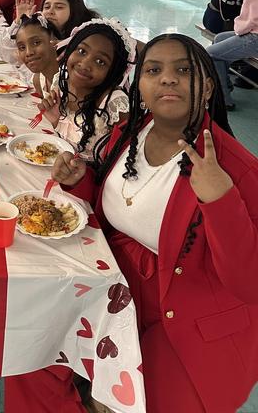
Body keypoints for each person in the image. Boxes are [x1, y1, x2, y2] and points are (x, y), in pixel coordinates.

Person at [43, 34, 258, 413]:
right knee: (33, 356)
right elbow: (117, 210)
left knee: (136, 401)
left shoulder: (236, 169)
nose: (168, 79)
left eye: (184, 70)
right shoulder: (128, 134)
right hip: (112, 284)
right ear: (139, 83)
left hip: (185, 315)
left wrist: (220, 201)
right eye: (154, 70)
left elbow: (249, 282)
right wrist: (80, 181)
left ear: (208, 86)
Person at [38, 18, 132, 161]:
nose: (85, 64)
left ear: (112, 71)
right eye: (82, 51)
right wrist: (56, 121)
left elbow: (120, 162)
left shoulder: (114, 104)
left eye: (100, 61)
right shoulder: (61, 80)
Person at [207, 0, 258, 111]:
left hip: (254, 37)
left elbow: (249, 23)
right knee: (219, 38)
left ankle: (223, 98)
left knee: (210, 53)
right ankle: (225, 85)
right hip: (253, 32)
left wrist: (238, 31)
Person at [13, 14, 61, 96]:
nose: (28, 52)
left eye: (36, 43)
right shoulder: (38, 81)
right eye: (22, 47)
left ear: (53, 39)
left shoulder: (72, 81)